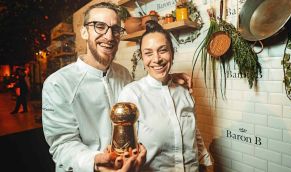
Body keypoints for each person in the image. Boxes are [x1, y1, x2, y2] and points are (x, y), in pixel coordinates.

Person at [42, 2, 190, 172]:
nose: (109, 36)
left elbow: (143, 94)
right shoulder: (58, 84)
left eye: (115, 29)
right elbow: (62, 145)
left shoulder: (123, 74)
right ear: (84, 32)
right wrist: (95, 162)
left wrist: (169, 78)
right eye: (99, 26)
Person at [118, 20, 212, 172]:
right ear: (142, 58)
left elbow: (195, 134)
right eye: (148, 53)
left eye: (163, 50)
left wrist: (206, 163)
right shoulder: (131, 95)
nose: (157, 59)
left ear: (172, 53)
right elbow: (125, 151)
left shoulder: (184, 91)